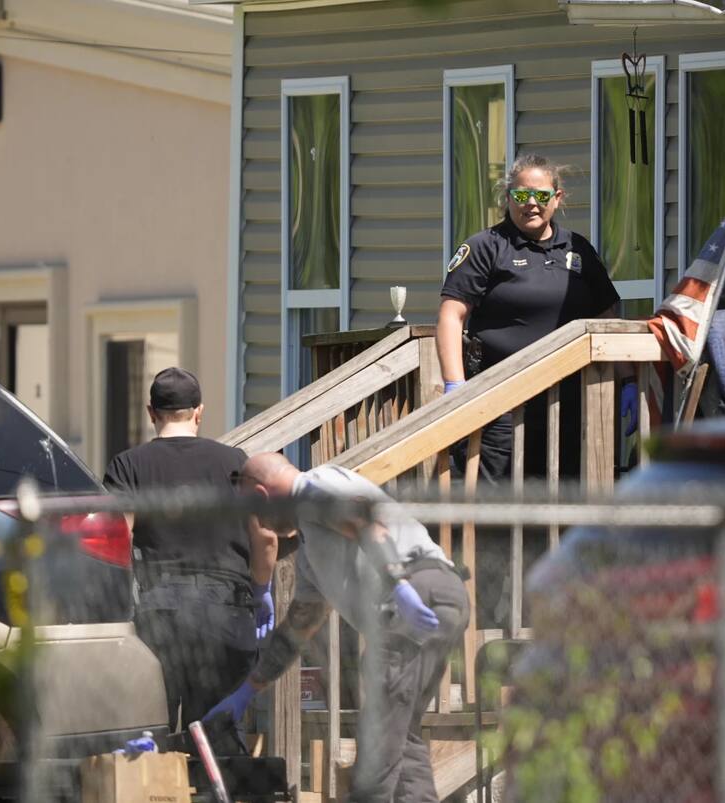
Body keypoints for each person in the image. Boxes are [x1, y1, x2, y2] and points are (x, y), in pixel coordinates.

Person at [239, 452, 469, 803]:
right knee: (399, 733)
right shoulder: (310, 545)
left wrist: (398, 584)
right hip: (443, 595)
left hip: (413, 591)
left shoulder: (311, 488)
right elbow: (302, 622)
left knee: (378, 738)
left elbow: (363, 522)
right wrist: (249, 688)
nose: (260, 524)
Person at [437, 152, 632, 482]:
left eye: (541, 195)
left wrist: (627, 382)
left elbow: (606, 317)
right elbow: (451, 316)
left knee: (566, 502)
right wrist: (455, 387)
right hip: (498, 405)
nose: (531, 203)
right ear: (508, 196)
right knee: (494, 509)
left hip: (570, 406)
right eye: (521, 194)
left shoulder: (578, 249)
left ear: (557, 199)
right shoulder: (486, 247)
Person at [103, 367, 275, 731]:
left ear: (152, 412)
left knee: (153, 733)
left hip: (160, 615)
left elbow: (118, 534)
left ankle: (160, 786)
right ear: (199, 412)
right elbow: (266, 537)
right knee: (218, 735)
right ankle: (219, 785)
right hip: (225, 613)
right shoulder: (234, 462)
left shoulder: (128, 466)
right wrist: (261, 592)